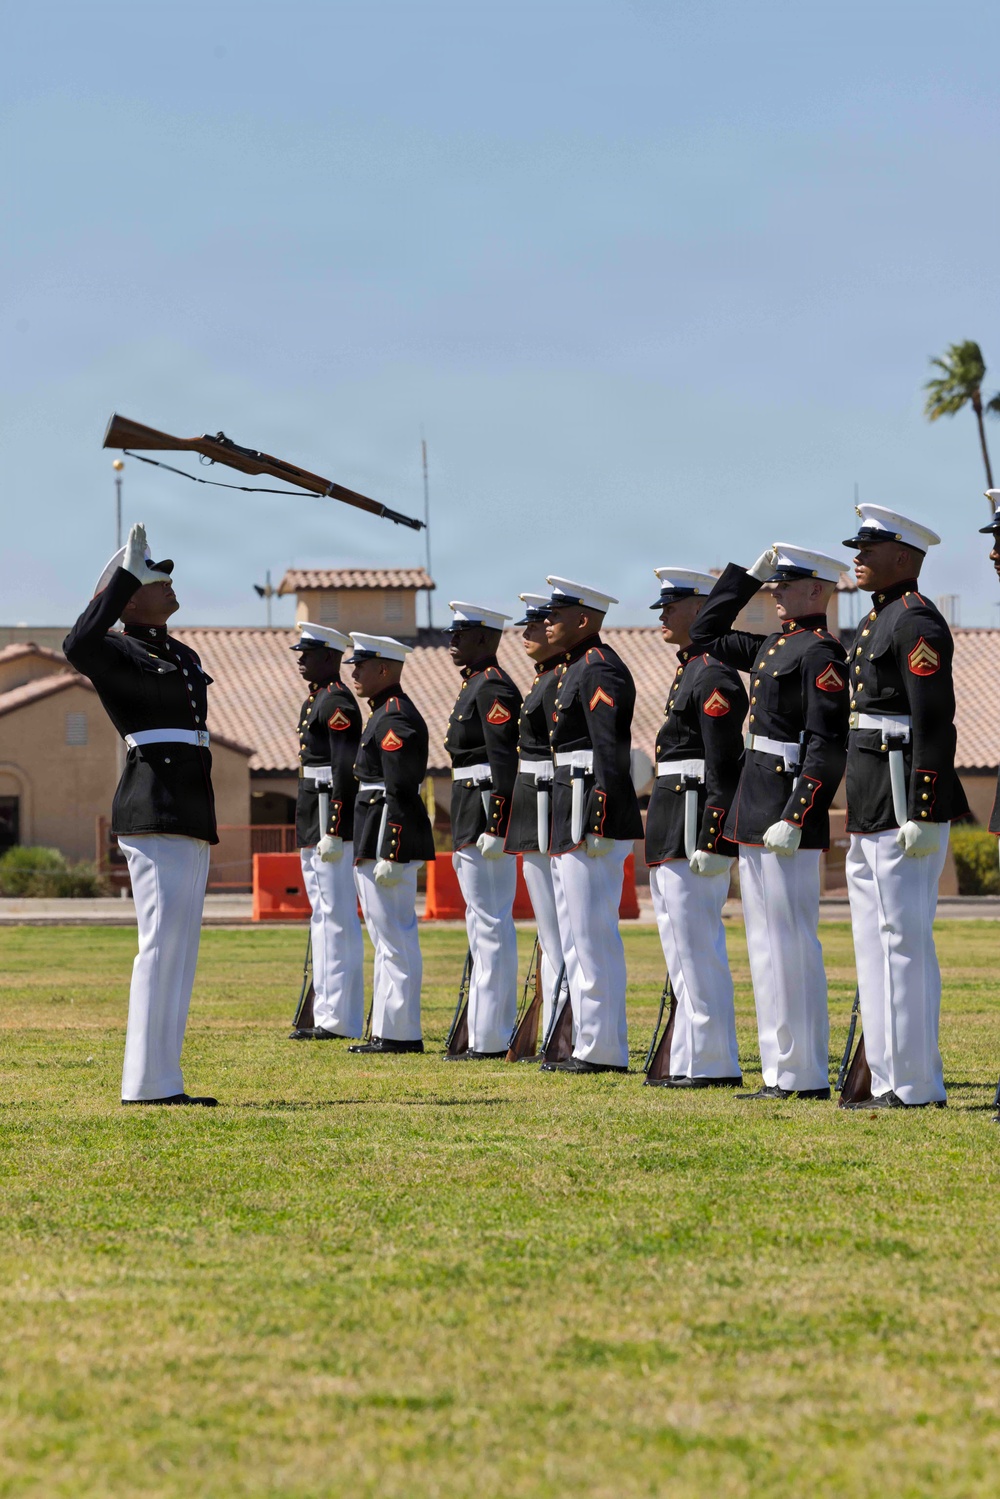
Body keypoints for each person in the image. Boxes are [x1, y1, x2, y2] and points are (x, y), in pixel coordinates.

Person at [63, 522, 217, 1105]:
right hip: (151, 806)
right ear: (128, 598)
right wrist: (124, 573)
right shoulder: (115, 649)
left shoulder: (178, 651)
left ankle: (163, 1078)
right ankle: (145, 1084)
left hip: (188, 807)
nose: (170, 585)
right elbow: (76, 644)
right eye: (155, 580)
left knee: (180, 950)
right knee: (159, 946)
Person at [690, 543, 849, 1101]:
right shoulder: (776, 646)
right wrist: (742, 578)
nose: (775, 593)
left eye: (784, 584)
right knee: (762, 945)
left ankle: (804, 1073)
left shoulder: (822, 653)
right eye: (773, 584)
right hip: (755, 804)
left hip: (786, 807)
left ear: (817, 591)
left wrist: (798, 814)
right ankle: (779, 1071)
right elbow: (704, 635)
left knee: (791, 945)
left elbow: (827, 745)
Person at [839, 504, 968, 1110]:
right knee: (874, 941)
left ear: (906, 557)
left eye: (870, 550)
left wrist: (922, 806)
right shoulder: (880, 618)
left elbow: (933, 720)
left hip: (901, 797)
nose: (857, 559)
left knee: (902, 941)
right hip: (871, 793)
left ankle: (915, 1084)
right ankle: (888, 1076)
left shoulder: (917, 620)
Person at [643, 568, 747, 1088]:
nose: (662, 615)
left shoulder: (713, 675)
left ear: (701, 609)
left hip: (693, 825)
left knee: (698, 943)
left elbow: (724, 766)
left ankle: (714, 1062)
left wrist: (712, 836)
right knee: (679, 945)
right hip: (672, 822)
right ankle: (689, 1055)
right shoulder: (691, 671)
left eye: (671, 605)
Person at [540, 577, 644, 1074]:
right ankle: (588, 1041)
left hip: (589, 814)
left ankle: (603, 1048)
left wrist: (598, 819)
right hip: (571, 810)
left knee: (593, 933)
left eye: (556, 616)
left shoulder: (599, 667)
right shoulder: (574, 669)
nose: (546, 624)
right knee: (577, 935)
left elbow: (609, 750)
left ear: (584, 620)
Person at [345, 633, 436, 1056]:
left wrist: (391, 850)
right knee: (385, 940)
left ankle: (400, 1033)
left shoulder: (395, 717)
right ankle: (387, 1028)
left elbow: (399, 788)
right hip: (376, 831)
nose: (355, 673)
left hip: (387, 834)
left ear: (384, 669)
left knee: (395, 937)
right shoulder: (382, 713)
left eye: (361, 666)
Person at [442, 601, 523, 1060]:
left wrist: (498, 822)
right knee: (480, 922)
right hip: (470, 810)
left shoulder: (493, 687)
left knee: (491, 923)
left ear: (486, 639)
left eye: (462, 634)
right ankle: (482, 1030)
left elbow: (503, 761)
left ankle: (492, 1036)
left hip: (485, 811)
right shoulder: (475, 685)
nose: (452, 641)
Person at [288, 621, 364, 1041]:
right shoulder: (316, 700)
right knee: (322, 914)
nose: (300, 660)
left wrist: (334, 827)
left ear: (331, 658)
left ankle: (340, 1018)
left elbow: (342, 771)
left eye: (309, 653)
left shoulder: (336, 701)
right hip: (312, 813)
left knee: (336, 917)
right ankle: (325, 1011)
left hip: (328, 818)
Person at [503, 593, 575, 1036]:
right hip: (536, 806)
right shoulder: (544, 680)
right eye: (529, 626)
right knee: (549, 931)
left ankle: (561, 1028)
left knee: (558, 931)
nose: (531, 634)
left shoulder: (558, 681)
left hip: (548, 805)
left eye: (538, 626)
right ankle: (554, 1025)